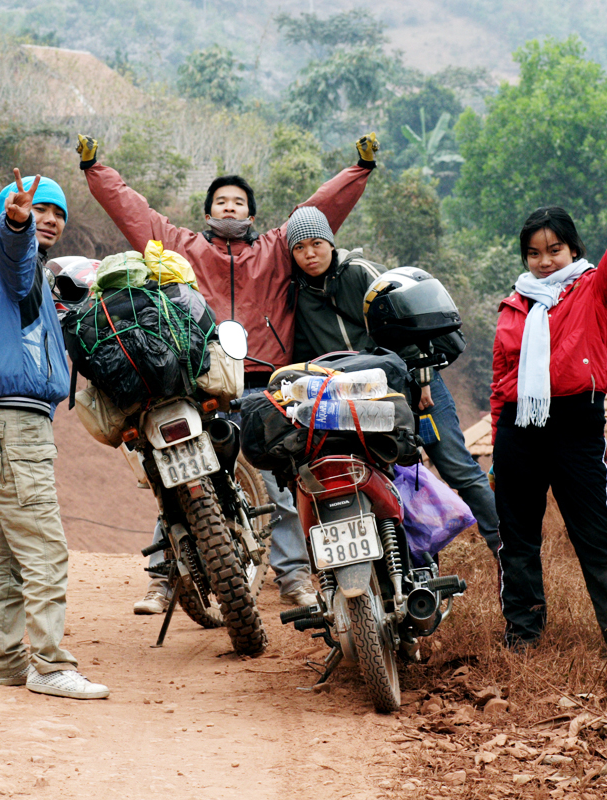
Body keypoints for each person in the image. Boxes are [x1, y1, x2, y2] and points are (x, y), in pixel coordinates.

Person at [75, 133, 380, 612]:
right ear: (207, 213)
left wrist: (358, 169)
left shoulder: (279, 249)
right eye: (221, 202)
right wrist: (95, 169)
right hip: (204, 378)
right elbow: (133, 211)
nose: (230, 209)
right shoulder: (182, 246)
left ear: (252, 215)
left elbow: (319, 211)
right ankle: (162, 578)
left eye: (239, 203)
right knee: (180, 470)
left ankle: (295, 577)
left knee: (278, 480)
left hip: (265, 381)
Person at [0, 169, 109, 700]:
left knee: (8, 551)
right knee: (46, 548)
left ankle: (5, 661)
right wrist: (17, 223)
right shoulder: (7, 260)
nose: (51, 218)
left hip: (9, 424)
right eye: (40, 209)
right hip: (16, 425)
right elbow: (14, 254)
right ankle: (49, 664)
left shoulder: (31, 281)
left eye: (58, 213)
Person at [284, 206, 501, 557]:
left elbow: (408, 318)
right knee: (389, 482)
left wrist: (424, 378)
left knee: (458, 468)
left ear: (331, 242)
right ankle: (411, 573)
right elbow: (308, 359)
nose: (310, 254)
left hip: (414, 387)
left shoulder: (358, 272)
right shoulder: (299, 297)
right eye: (300, 248)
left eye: (316, 243)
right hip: (359, 405)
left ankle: (508, 552)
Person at [490, 207, 607, 657]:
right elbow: (501, 377)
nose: (544, 261)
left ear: (574, 249)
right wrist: (495, 446)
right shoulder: (514, 304)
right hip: (517, 428)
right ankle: (523, 636)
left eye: (554, 250)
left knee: (594, 537)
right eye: (534, 253)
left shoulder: (597, 289)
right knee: (517, 538)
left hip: (575, 427)